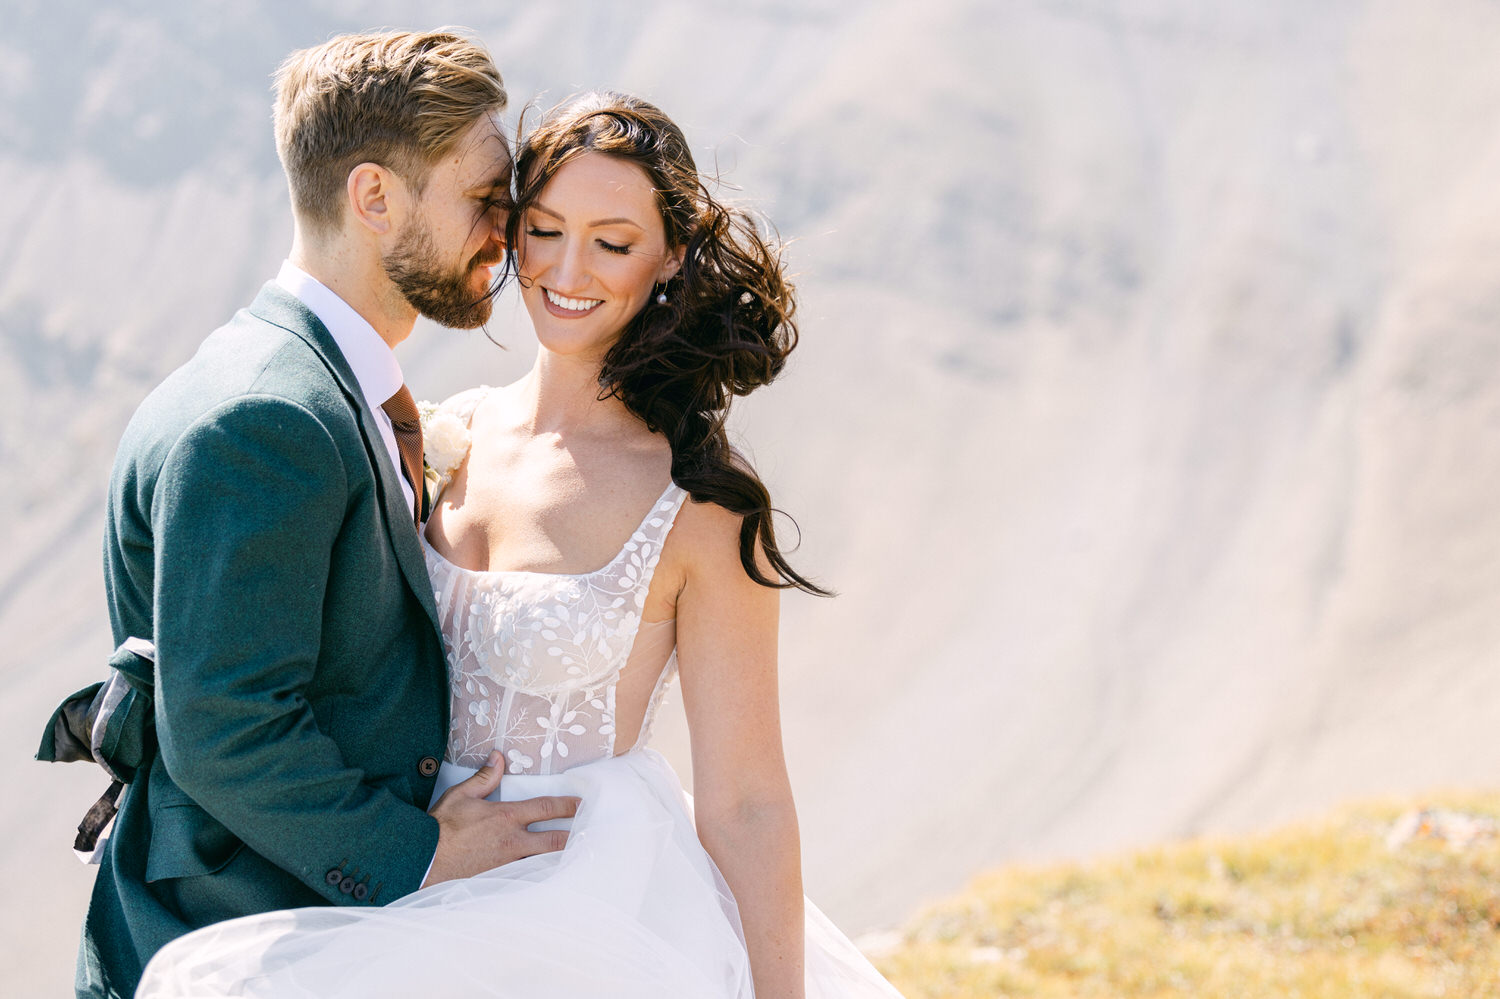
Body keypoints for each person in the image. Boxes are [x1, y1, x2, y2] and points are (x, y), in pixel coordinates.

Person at [134, 92, 902, 998]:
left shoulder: (699, 504)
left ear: (670, 258)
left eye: (613, 242)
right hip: (397, 883)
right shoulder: (445, 434)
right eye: (543, 229)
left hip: (588, 918)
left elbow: (748, 803)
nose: (568, 270)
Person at [71, 30, 581, 999]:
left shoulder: (317, 386)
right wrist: (422, 855)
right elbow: (225, 725)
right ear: (374, 196)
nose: (507, 233)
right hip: (245, 936)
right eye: (483, 199)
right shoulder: (268, 418)